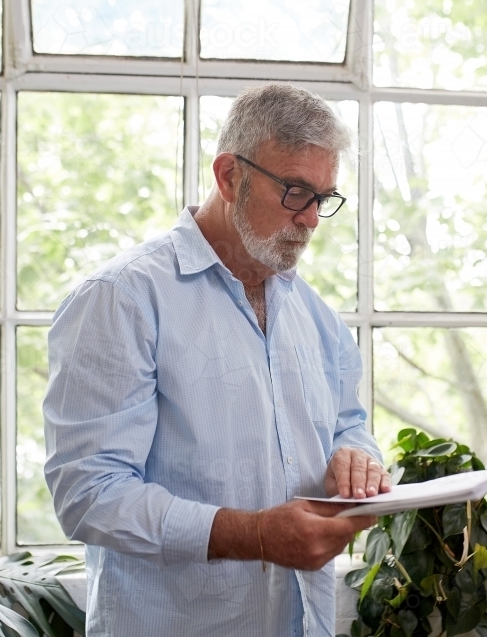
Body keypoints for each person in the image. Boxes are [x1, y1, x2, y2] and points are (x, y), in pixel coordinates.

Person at [43, 83, 390, 636]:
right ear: (229, 175)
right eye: (296, 191)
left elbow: (348, 423)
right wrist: (251, 534)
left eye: (323, 198)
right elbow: (89, 495)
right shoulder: (122, 299)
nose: (311, 220)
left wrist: (357, 459)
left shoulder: (313, 313)